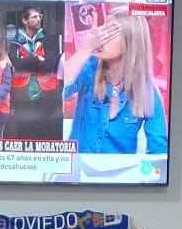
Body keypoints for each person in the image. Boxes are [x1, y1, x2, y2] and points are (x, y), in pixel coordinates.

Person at [62, 11, 168, 158]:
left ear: (130, 41)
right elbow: (58, 91)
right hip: (78, 175)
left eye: (109, 32)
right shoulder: (89, 69)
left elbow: (159, 151)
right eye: (102, 30)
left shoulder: (146, 90)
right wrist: (86, 48)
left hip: (119, 177)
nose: (101, 38)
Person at [10, 4, 62, 141]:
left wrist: (27, 60)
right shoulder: (16, 42)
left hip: (46, 95)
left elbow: (51, 65)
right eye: (34, 17)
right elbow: (18, 65)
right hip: (23, 96)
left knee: (45, 134)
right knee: (23, 133)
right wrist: (37, 59)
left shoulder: (49, 39)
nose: (38, 19)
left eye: (39, 16)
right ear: (25, 20)